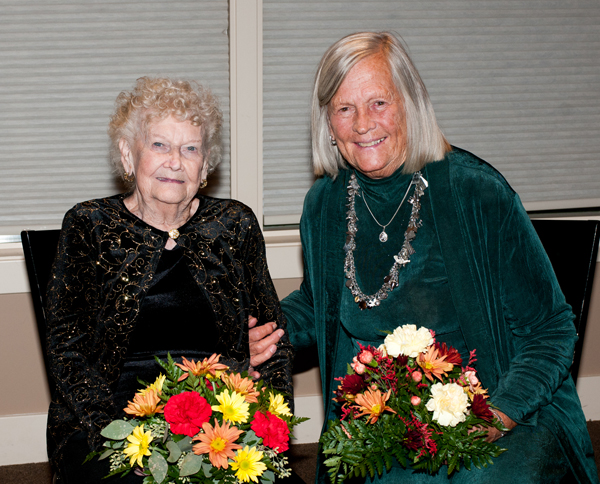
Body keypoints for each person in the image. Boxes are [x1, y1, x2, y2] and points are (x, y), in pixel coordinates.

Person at [250, 32, 598, 483]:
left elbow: (551, 330)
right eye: (344, 108)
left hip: (492, 413)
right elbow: (321, 301)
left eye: (378, 103)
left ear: (410, 105)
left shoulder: (475, 193)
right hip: (378, 422)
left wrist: (500, 415)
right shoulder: (325, 205)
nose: (362, 125)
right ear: (328, 123)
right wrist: (266, 328)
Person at [45, 77, 295, 483]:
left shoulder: (234, 224)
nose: (175, 161)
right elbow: (66, 350)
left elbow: (274, 341)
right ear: (129, 154)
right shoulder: (88, 225)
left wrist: (267, 421)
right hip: (112, 413)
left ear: (206, 163)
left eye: (190, 148)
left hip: (216, 411)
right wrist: (115, 434)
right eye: (159, 145)